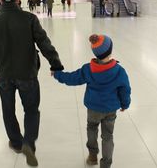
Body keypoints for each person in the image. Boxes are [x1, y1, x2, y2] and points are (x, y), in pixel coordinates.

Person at [0, 0, 64, 167]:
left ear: (0, 0)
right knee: (32, 110)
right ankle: (29, 142)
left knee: (8, 110)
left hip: (4, 76)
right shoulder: (29, 18)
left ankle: (17, 143)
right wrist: (55, 64)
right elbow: (44, 43)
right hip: (27, 74)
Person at [52, 34, 131, 168]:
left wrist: (57, 74)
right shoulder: (119, 71)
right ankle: (106, 164)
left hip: (93, 109)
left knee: (92, 128)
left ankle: (93, 156)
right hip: (110, 110)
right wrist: (125, 104)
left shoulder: (88, 69)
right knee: (108, 136)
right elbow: (125, 90)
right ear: (110, 50)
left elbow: (72, 78)